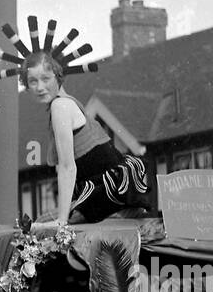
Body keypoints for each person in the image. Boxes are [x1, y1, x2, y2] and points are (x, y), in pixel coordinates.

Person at [24, 51, 151, 227]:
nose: (39, 87)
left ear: (58, 77)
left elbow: (68, 167)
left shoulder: (60, 106)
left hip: (108, 196)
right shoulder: (69, 102)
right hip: (117, 193)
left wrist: (61, 221)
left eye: (46, 79)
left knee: (39, 226)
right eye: (33, 81)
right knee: (42, 223)